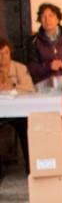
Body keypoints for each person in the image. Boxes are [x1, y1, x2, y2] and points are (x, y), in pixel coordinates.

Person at [0, 37, 35, 172]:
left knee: (26, 126)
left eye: (5, 53)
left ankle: (30, 168)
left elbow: (30, 88)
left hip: (17, 111)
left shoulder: (20, 68)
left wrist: (13, 85)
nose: (2, 57)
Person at [26, 3, 62, 84]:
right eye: (43, 17)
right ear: (40, 20)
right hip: (47, 85)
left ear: (58, 19)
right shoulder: (33, 41)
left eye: (51, 16)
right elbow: (32, 68)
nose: (47, 20)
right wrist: (49, 66)